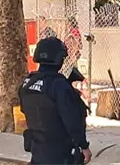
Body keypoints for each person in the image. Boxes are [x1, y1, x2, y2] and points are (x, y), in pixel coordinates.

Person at [19, 36, 92, 164]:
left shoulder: (27, 83)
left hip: (38, 152)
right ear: (58, 59)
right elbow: (72, 121)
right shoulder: (59, 85)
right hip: (60, 153)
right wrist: (84, 146)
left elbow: (25, 111)